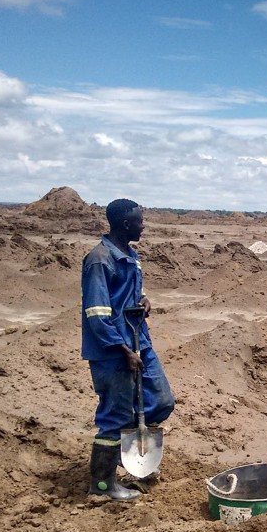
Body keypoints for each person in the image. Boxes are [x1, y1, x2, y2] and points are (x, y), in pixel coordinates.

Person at [81, 199, 175, 501]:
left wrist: (144, 300)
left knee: (160, 401)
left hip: (138, 342)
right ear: (125, 224)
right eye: (139, 221)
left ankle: (129, 454)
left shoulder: (130, 257)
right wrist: (123, 350)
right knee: (115, 416)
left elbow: (130, 294)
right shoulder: (100, 260)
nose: (143, 225)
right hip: (113, 352)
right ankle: (103, 484)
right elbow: (96, 314)